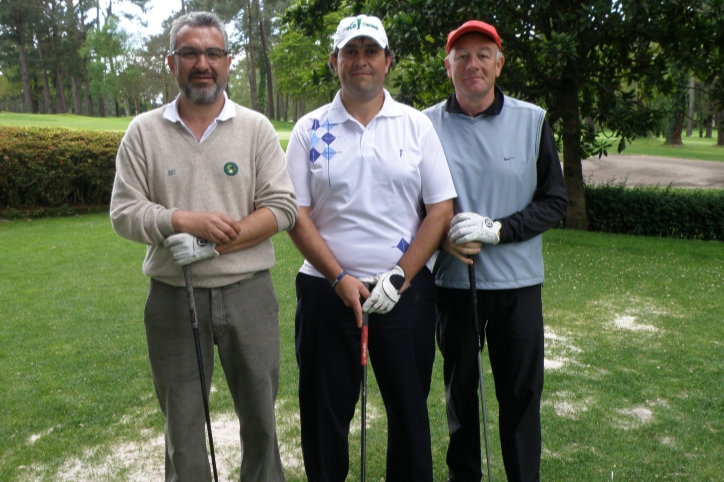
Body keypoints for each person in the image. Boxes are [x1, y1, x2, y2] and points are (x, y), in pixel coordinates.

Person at [109, 11, 297, 482]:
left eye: (213, 53)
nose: (202, 64)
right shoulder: (143, 132)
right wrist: (181, 221)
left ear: (229, 61)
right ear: (170, 61)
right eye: (190, 53)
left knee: (261, 422)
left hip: (248, 293)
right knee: (184, 428)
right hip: (173, 297)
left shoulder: (255, 128)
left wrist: (214, 244)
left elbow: (282, 207)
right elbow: (124, 212)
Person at [285, 14, 457, 482]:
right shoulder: (309, 129)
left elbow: (441, 209)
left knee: (409, 414)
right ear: (334, 61)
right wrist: (339, 277)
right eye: (351, 52)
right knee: (324, 418)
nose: (361, 61)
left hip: (404, 294)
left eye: (371, 51)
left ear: (388, 62)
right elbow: (295, 215)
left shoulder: (415, 126)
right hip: (325, 292)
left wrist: (399, 276)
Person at [424, 20, 568, 482]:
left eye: (483, 55)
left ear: (499, 63)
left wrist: (499, 230)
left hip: (518, 285)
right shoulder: (423, 124)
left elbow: (555, 201)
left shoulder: (532, 120)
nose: (473, 64)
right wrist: (441, 235)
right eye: (462, 56)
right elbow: (410, 203)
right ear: (448, 66)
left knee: (521, 395)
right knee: (461, 393)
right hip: (452, 281)